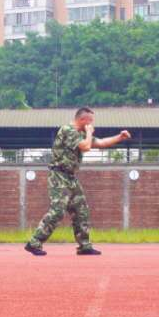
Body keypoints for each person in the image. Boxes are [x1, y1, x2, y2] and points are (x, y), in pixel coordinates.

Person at [24, 107, 129, 256]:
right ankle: (34, 242)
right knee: (58, 211)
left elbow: (100, 143)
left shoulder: (80, 134)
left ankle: (84, 246)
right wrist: (89, 132)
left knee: (81, 210)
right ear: (82, 120)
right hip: (59, 176)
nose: (92, 124)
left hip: (70, 177)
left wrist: (120, 137)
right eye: (90, 121)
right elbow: (86, 147)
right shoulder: (68, 130)